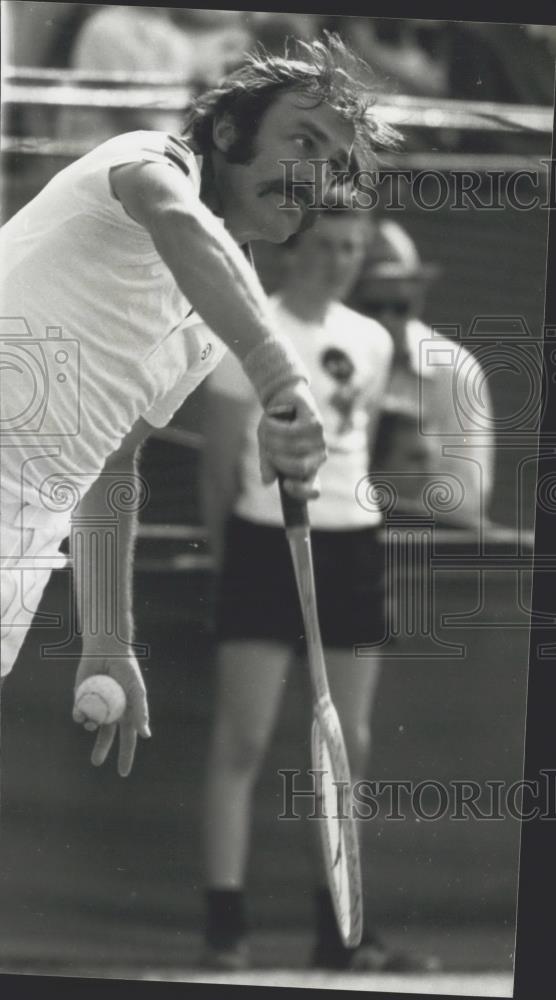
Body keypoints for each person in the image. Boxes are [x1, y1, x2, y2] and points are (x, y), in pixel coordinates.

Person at [1, 37, 399, 777]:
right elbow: (181, 224)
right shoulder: (149, 159)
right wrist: (281, 378)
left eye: (333, 162)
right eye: (302, 141)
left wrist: (108, 635)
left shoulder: (214, 319)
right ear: (228, 130)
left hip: (19, 553)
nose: (315, 175)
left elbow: (113, 461)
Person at [200, 205, 436, 972]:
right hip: (264, 541)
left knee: (347, 744)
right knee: (243, 738)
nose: (340, 261)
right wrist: (230, 561)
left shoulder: (372, 340)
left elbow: (361, 448)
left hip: (352, 546)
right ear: (292, 250)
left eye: (352, 248)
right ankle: (225, 925)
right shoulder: (251, 331)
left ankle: (341, 933)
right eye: (327, 245)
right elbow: (220, 464)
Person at [349, 220, 494, 525]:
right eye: (373, 307)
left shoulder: (455, 373)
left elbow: (466, 496)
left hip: (422, 539)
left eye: (400, 307)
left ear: (418, 301)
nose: (387, 319)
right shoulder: (330, 356)